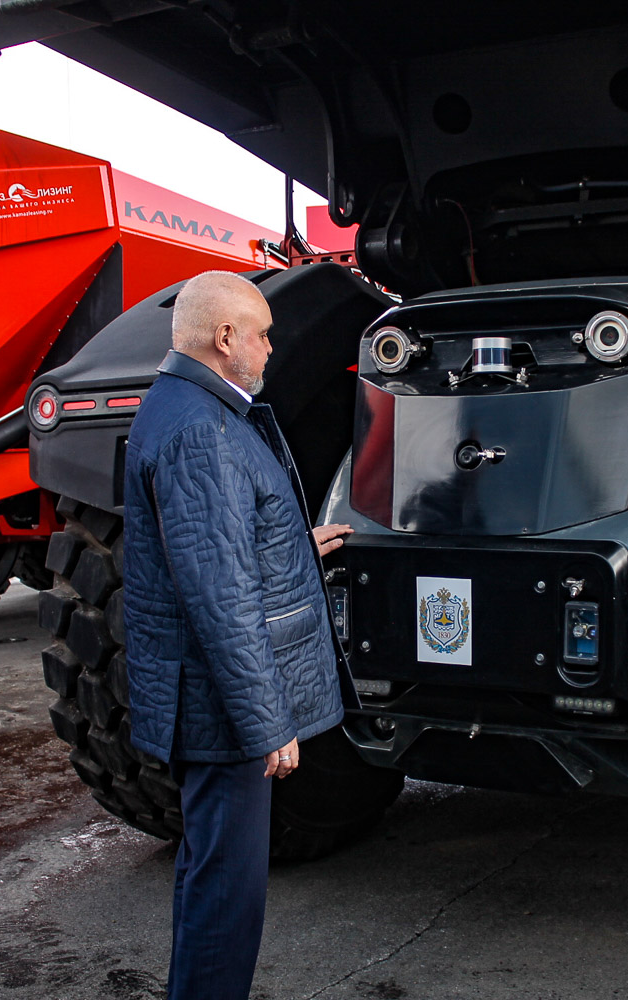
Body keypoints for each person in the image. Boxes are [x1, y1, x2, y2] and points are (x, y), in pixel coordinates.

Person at [120, 270, 354, 1000]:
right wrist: (265, 722)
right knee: (226, 893)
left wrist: (289, 545)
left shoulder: (187, 406)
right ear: (225, 339)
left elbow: (211, 544)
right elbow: (217, 594)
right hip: (224, 715)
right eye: (261, 334)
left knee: (212, 874)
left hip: (211, 702)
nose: (269, 348)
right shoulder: (202, 430)